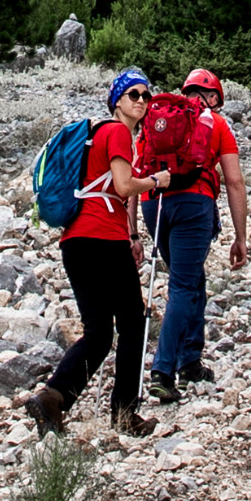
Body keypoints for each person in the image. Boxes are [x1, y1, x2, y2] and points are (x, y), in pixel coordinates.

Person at [31, 71, 154, 436]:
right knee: (132, 322)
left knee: (99, 331)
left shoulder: (94, 134)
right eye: (134, 94)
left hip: (76, 242)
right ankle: (124, 414)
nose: (142, 102)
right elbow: (123, 185)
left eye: (146, 96)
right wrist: (155, 181)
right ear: (117, 100)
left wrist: (131, 233)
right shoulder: (118, 132)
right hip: (103, 238)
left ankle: (53, 397)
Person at [145, 67, 251, 401]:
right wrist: (241, 236)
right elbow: (234, 181)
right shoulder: (217, 125)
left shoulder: (158, 119)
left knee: (191, 279)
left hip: (155, 205)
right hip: (195, 203)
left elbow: (137, 170)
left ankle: (191, 359)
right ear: (213, 98)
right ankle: (163, 371)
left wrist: (132, 230)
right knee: (182, 285)